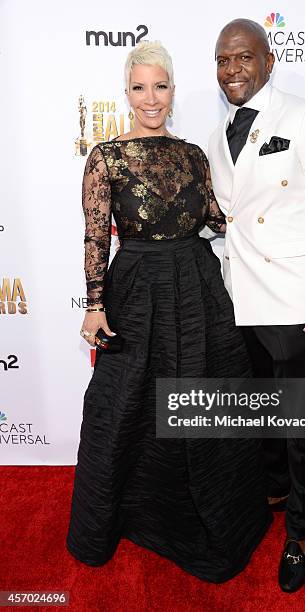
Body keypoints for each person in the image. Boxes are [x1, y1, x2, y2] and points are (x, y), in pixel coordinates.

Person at [66, 40, 271, 583]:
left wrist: (282, 228)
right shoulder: (105, 157)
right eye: (139, 87)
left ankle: (213, 514)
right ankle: (130, 512)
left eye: (160, 86)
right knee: (126, 403)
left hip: (198, 284)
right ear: (126, 93)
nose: (150, 98)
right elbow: (95, 236)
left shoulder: (192, 156)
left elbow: (218, 219)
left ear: (173, 91)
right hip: (135, 287)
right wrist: (93, 303)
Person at [208, 19, 305, 592]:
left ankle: (299, 534)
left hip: (297, 303)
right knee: (260, 417)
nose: (232, 70)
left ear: (269, 61)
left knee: (298, 425)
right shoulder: (219, 131)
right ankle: (272, 494)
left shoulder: (304, 116)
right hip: (241, 300)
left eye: (244, 58)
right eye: (223, 60)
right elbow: (232, 217)